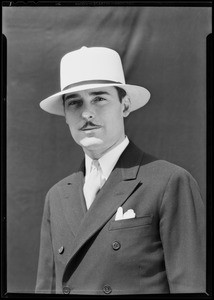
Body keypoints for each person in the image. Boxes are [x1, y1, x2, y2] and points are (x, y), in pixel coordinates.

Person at [35, 46, 205, 295]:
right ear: (65, 117)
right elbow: (46, 288)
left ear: (124, 106)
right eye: (74, 103)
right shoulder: (57, 196)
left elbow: (191, 287)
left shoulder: (169, 182)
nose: (86, 113)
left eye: (99, 99)